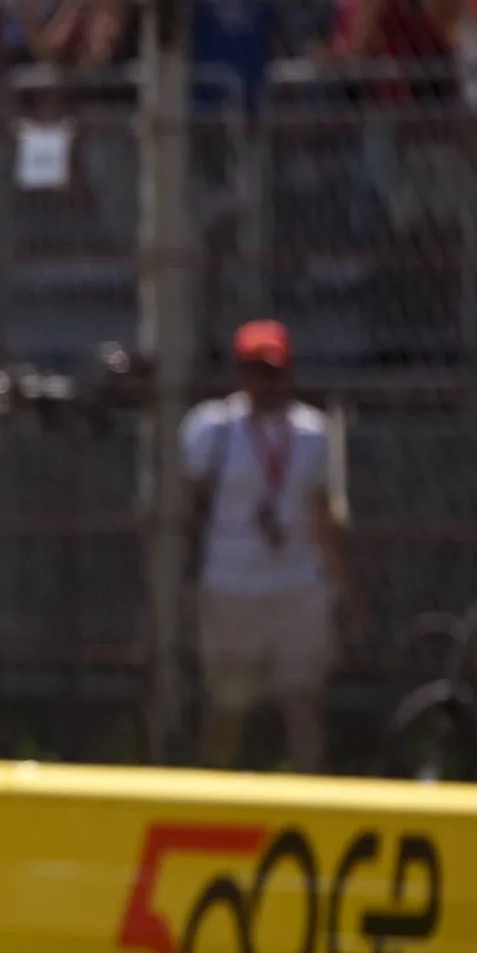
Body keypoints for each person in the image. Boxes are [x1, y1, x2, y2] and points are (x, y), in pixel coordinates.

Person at [183, 319, 350, 773]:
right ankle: (212, 798)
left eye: (273, 371)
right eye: (255, 371)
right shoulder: (209, 429)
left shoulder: (313, 432)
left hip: (296, 585)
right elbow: (189, 508)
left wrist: (338, 585)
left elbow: (323, 512)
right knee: (226, 707)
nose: (265, 383)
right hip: (231, 584)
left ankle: (311, 797)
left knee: (303, 702)